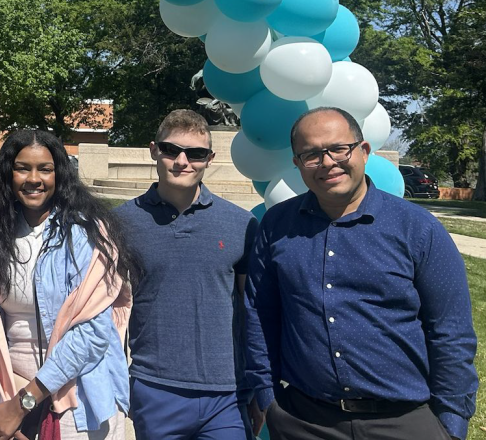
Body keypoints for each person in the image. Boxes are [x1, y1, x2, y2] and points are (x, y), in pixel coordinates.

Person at [244, 107, 478, 440]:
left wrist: (451, 422)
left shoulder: (418, 228)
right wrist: (267, 398)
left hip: (403, 422)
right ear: (297, 164)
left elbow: (450, 331)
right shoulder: (277, 226)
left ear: (363, 151)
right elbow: (259, 315)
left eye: (338, 149)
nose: (327, 163)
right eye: (311, 154)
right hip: (304, 421)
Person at [0, 130, 133, 440]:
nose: (33, 178)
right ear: (7, 173)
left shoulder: (88, 235)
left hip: (79, 395)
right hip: (9, 390)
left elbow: (92, 336)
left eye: (44, 168)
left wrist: (25, 402)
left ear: (60, 174)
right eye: (22, 167)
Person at [111, 110, 257, 440]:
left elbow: (253, 315)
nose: (182, 161)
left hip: (227, 394)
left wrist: (255, 387)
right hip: (155, 387)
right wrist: (122, 383)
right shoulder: (119, 223)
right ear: (153, 150)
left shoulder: (241, 224)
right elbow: (109, 313)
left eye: (196, 153)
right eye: (170, 150)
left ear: (209, 158)